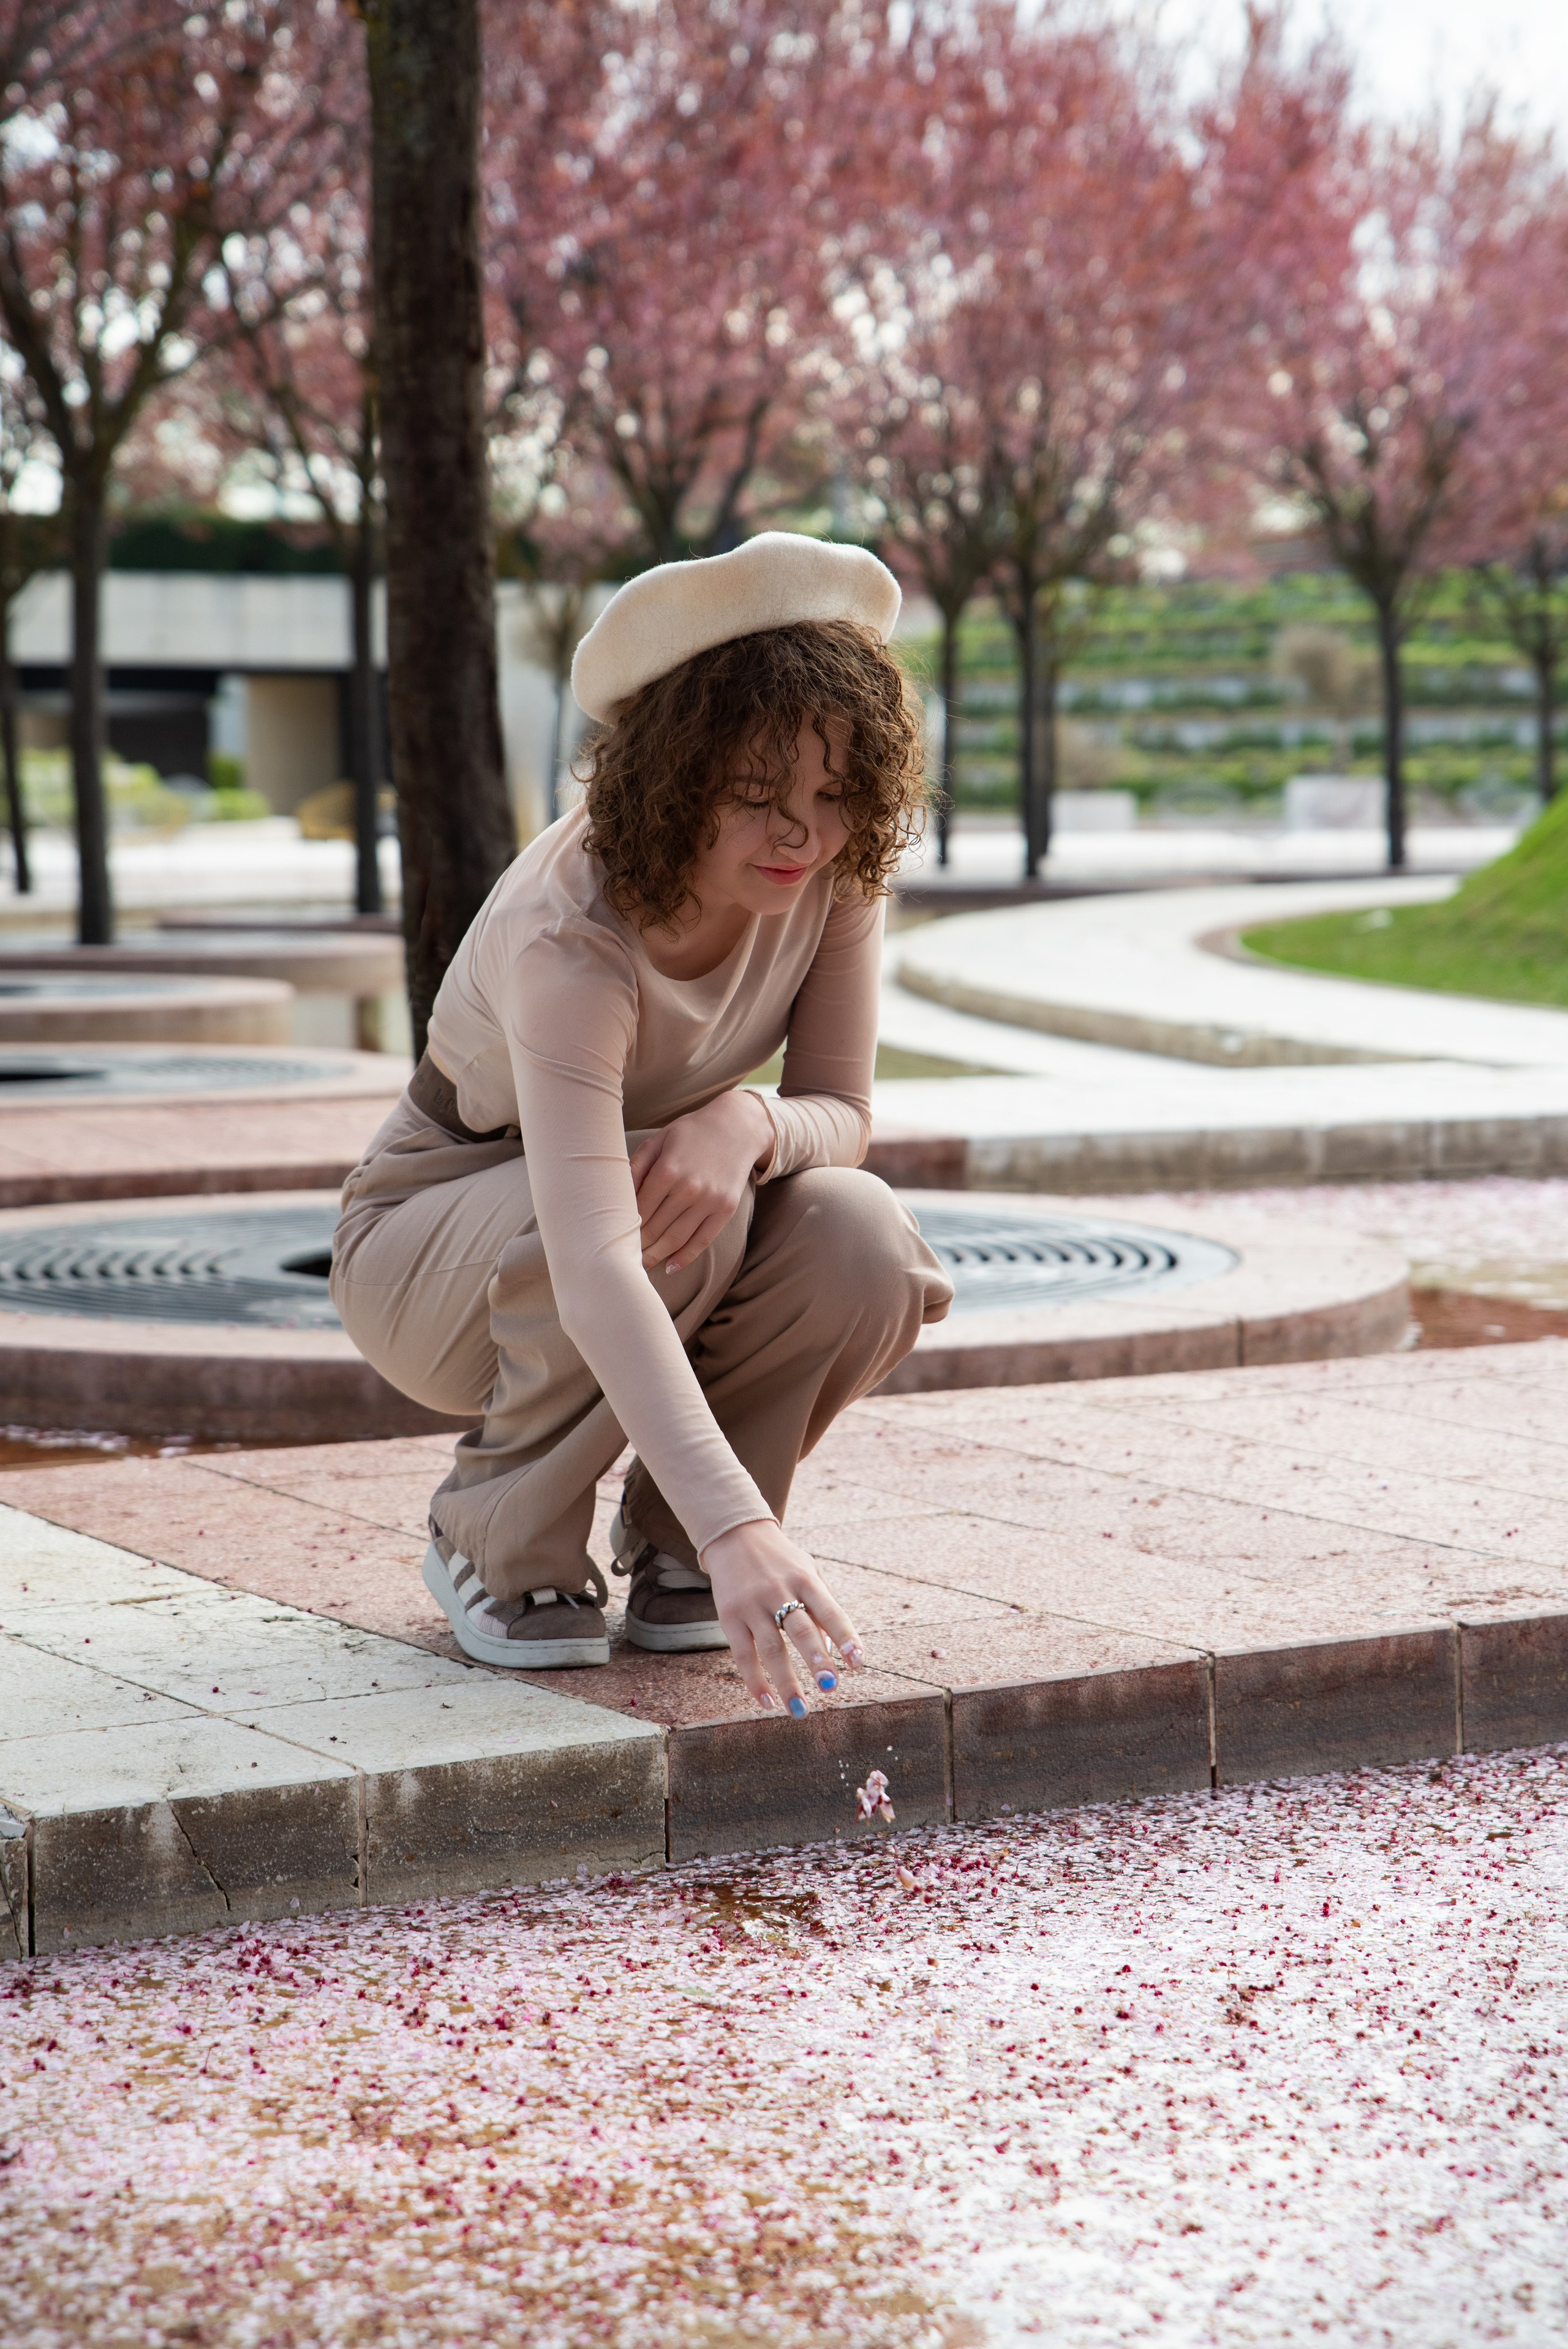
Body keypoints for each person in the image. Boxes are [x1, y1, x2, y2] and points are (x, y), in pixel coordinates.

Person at [330, 532, 953, 1717]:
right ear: (673, 775)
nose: (801, 836)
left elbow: (846, 1114)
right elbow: (597, 1252)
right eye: (758, 796)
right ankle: (495, 1538)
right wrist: (747, 1530)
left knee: (859, 1233)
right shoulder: (576, 936)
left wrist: (748, 1125)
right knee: (664, 1209)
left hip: (642, 1202)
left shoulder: (831, 876)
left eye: (831, 794)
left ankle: (677, 1552)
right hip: (433, 1243)